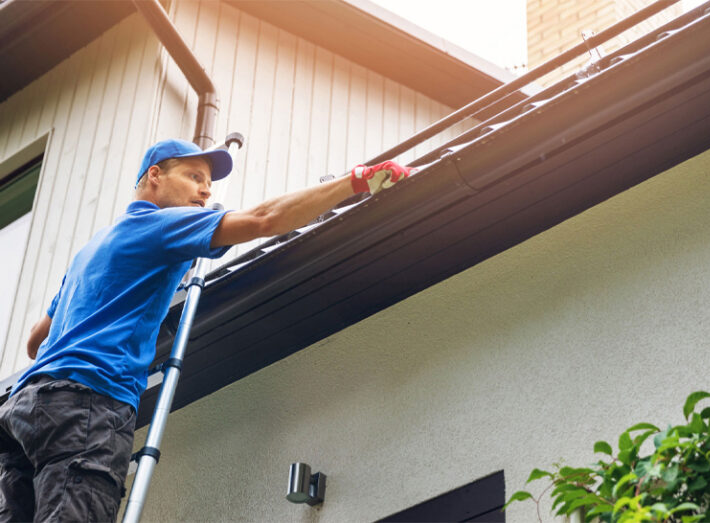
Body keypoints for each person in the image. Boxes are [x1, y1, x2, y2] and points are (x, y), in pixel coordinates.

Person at [0, 138, 414, 522]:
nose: (206, 191)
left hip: (24, 410)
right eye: (194, 177)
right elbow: (262, 219)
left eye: (209, 183)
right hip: (86, 405)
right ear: (154, 176)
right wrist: (355, 181)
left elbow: (36, 342)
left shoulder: (92, 249)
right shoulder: (159, 226)